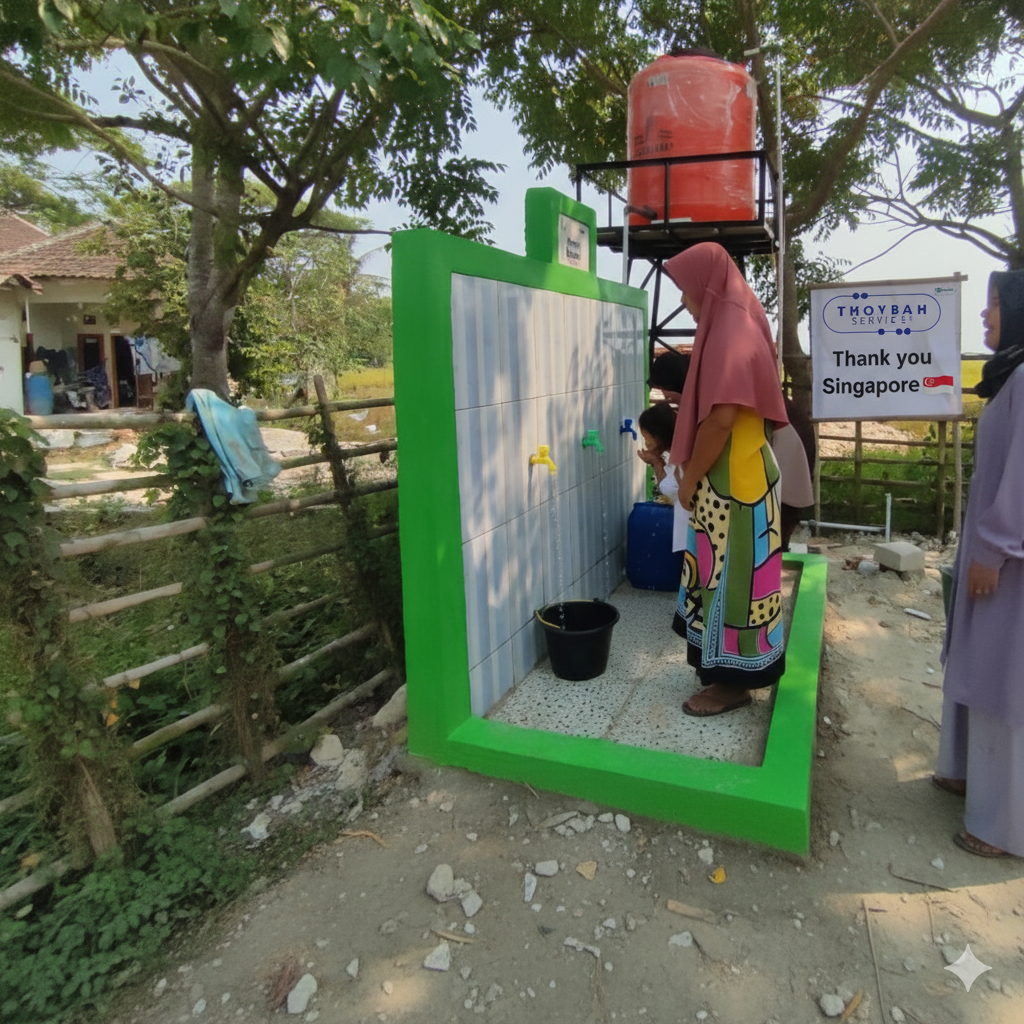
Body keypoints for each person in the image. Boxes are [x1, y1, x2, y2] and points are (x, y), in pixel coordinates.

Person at [663, 242, 789, 716]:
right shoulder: (740, 317)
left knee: (734, 582)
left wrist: (691, 480)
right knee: (725, 576)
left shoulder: (730, 328)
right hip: (739, 475)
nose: (681, 301)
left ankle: (733, 684)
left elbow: (721, 418)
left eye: (683, 289)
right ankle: (721, 670)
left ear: (705, 285)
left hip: (734, 484)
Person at [934, 269, 1024, 858]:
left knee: (1002, 682)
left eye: (993, 305)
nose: (986, 315)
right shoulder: (1011, 375)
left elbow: (1021, 477)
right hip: (990, 552)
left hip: (1008, 564)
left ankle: (1002, 825)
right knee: (974, 662)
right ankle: (962, 772)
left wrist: (993, 548)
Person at [637, 403, 689, 552]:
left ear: (659, 435)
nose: (645, 443)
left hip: (693, 529)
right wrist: (657, 462)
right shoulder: (675, 455)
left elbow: (672, 489)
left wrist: (656, 462)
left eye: (647, 437)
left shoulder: (684, 458)